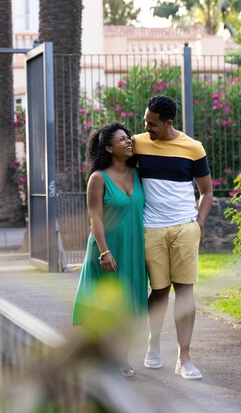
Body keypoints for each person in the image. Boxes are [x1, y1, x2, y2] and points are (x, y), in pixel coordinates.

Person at [134, 95, 213, 380]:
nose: (147, 127)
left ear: (168, 123)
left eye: (152, 123)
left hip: (184, 228)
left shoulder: (193, 148)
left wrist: (199, 222)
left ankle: (184, 357)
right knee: (158, 291)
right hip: (151, 228)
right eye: (146, 121)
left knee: (185, 292)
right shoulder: (138, 144)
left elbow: (206, 191)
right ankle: (153, 346)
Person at [72, 123, 148, 379]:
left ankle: (122, 357)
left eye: (128, 138)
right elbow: (95, 217)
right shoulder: (98, 178)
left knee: (129, 303)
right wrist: (104, 252)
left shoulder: (138, 174)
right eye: (121, 140)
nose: (128, 142)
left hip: (133, 248)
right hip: (107, 248)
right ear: (107, 147)